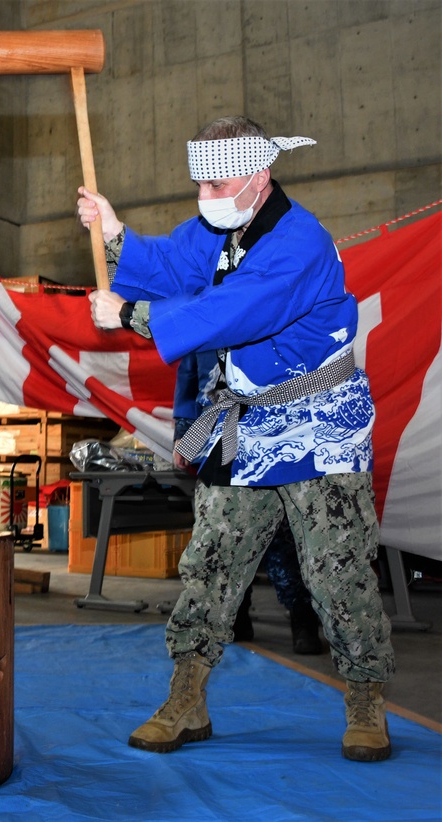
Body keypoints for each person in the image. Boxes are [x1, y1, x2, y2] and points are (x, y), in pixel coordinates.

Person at [77, 115, 394, 762]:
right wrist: (113, 232)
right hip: (241, 422)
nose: (205, 197)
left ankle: (366, 698)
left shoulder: (298, 241)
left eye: (216, 184)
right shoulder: (218, 230)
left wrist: (132, 314)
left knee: (336, 568)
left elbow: (234, 310)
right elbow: (173, 263)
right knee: (211, 561)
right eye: (199, 184)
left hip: (319, 421)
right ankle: (186, 696)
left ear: (258, 176)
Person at [174, 351, 323, 655]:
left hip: (273, 433)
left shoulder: (267, 310)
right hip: (217, 435)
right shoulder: (201, 318)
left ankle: (302, 617)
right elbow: (188, 378)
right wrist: (183, 432)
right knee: (222, 532)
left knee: (283, 533)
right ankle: (236, 615)